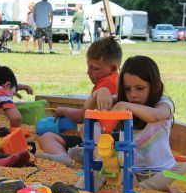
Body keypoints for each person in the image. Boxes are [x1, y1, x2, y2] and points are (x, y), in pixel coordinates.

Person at [75, 55, 186, 192]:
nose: (133, 95)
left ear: (155, 87)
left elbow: (156, 115)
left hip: (161, 173)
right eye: (127, 89)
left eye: (140, 88)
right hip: (128, 172)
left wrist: (125, 105)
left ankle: (141, 189)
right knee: (102, 164)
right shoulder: (122, 101)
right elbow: (87, 107)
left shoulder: (163, 103)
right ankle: (79, 191)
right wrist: (100, 92)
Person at [35, 36, 122, 167]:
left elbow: (82, 116)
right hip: (100, 139)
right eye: (89, 67)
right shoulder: (116, 79)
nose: (89, 72)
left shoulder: (107, 84)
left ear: (113, 68)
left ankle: (67, 157)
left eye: (95, 68)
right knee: (47, 137)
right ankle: (68, 158)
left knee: (47, 137)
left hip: (104, 141)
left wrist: (63, 110)